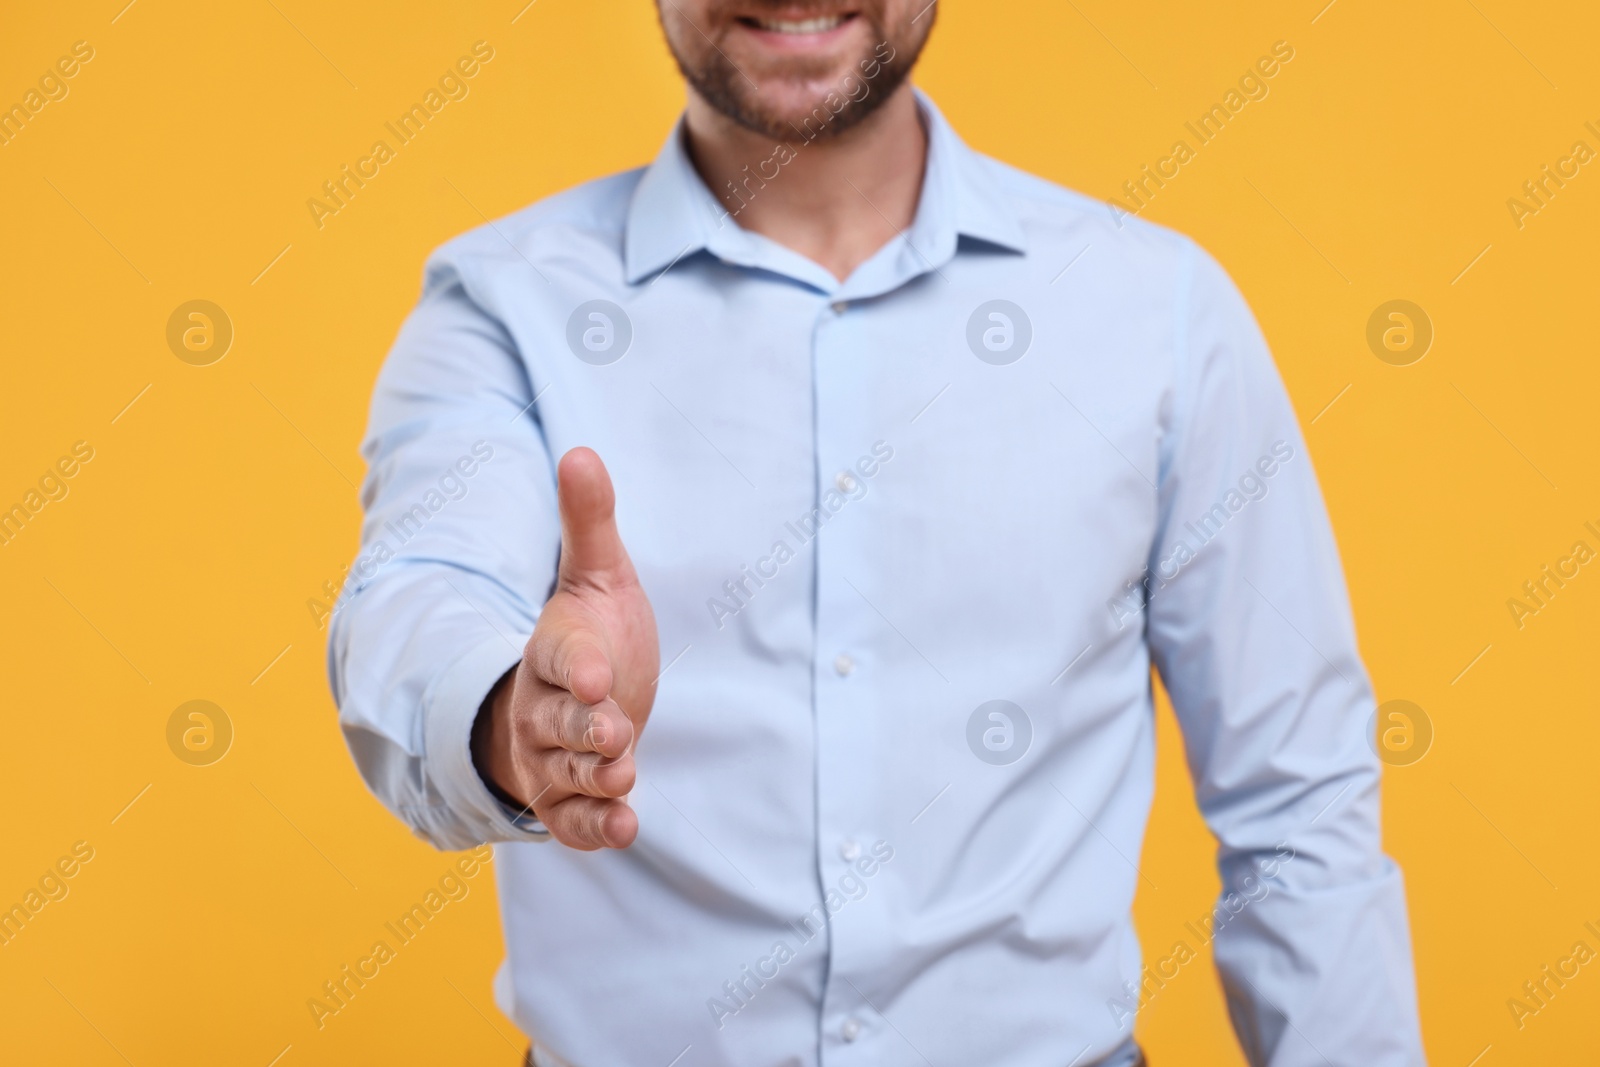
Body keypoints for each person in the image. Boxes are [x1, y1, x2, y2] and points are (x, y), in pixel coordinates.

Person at [328, 3, 1425, 1064]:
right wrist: (514, 722)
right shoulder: (502, 306)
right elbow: (417, 598)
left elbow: (1300, 803)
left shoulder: (1159, 314)